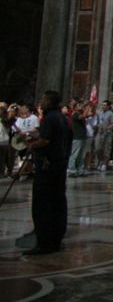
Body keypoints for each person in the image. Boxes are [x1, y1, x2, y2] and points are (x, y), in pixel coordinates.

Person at [24, 90, 71, 255]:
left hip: (47, 167)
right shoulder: (62, 118)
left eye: (43, 99)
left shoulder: (49, 118)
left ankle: (44, 242)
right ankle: (56, 239)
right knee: (58, 202)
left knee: (42, 204)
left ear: (48, 101)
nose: (41, 102)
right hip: (59, 166)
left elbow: (46, 140)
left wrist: (32, 145)